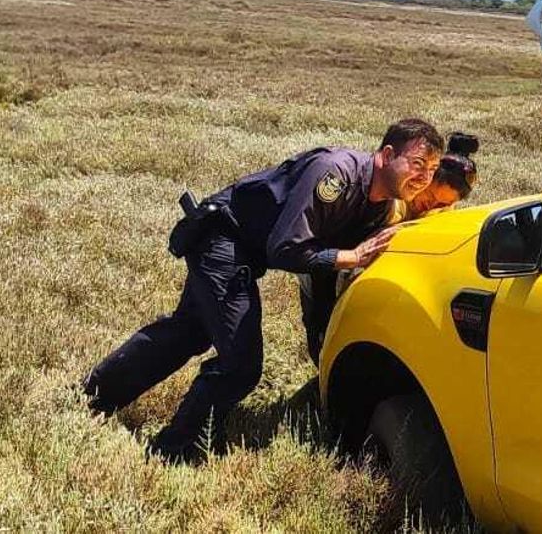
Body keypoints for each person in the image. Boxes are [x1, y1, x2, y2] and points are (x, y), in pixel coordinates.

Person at [82, 119, 445, 463]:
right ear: (385, 154)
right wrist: (351, 257)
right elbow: (285, 247)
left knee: (188, 333)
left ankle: (92, 399)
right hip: (223, 239)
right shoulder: (336, 174)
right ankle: (173, 449)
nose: (423, 177)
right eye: (416, 163)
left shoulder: (381, 207)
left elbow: (321, 268)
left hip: (244, 250)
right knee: (241, 365)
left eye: (431, 170)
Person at [297, 133, 481, 367]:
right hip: (326, 261)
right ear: (424, 178)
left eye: (442, 204)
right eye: (431, 195)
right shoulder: (391, 197)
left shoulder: (445, 211)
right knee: (322, 329)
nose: (431, 205)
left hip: (368, 280)